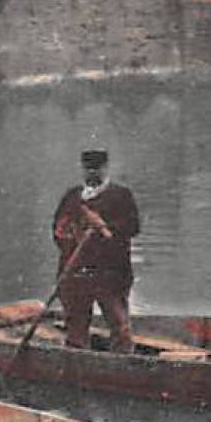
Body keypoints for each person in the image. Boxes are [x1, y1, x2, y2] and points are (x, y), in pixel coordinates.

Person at [51, 149, 140, 352]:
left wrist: (102, 230)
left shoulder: (121, 196)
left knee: (119, 326)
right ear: (83, 170)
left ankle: (124, 364)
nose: (92, 174)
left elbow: (132, 227)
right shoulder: (72, 197)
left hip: (110, 274)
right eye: (88, 170)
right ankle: (76, 362)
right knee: (75, 326)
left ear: (105, 169)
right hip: (75, 273)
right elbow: (57, 230)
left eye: (97, 169)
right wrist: (71, 239)